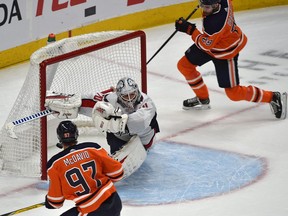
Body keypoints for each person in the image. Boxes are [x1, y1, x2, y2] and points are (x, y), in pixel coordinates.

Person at [174, 0, 287, 119]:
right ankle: (202, 98)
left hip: (226, 51)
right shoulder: (225, 1)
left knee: (234, 93)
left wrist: (190, 30)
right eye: (203, 6)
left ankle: (272, 97)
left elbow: (205, 44)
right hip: (214, 43)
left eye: (207, 7)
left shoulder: (215, 23)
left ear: (216, 4)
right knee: (184, 65)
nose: (204, 10)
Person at [45, 77, 160, 178]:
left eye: (132, 94)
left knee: (140, 151)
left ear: (138, 92)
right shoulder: (111, 99)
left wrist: (108, 122)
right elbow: (92, 100)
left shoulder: (147, 103)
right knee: (116, 168)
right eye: (125, 96)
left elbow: (140, 121)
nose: (130, 99)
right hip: (120, 138)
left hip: (144, 137)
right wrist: (70, 103)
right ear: (119, 96)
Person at [45, 120, 124, 216]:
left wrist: (49, 202)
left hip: (92, 210)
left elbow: (56, 202)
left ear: (59, 137)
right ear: (76, 134)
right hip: (114, 202)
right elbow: (118, 173)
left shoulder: (54, 164)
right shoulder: (93, 148)